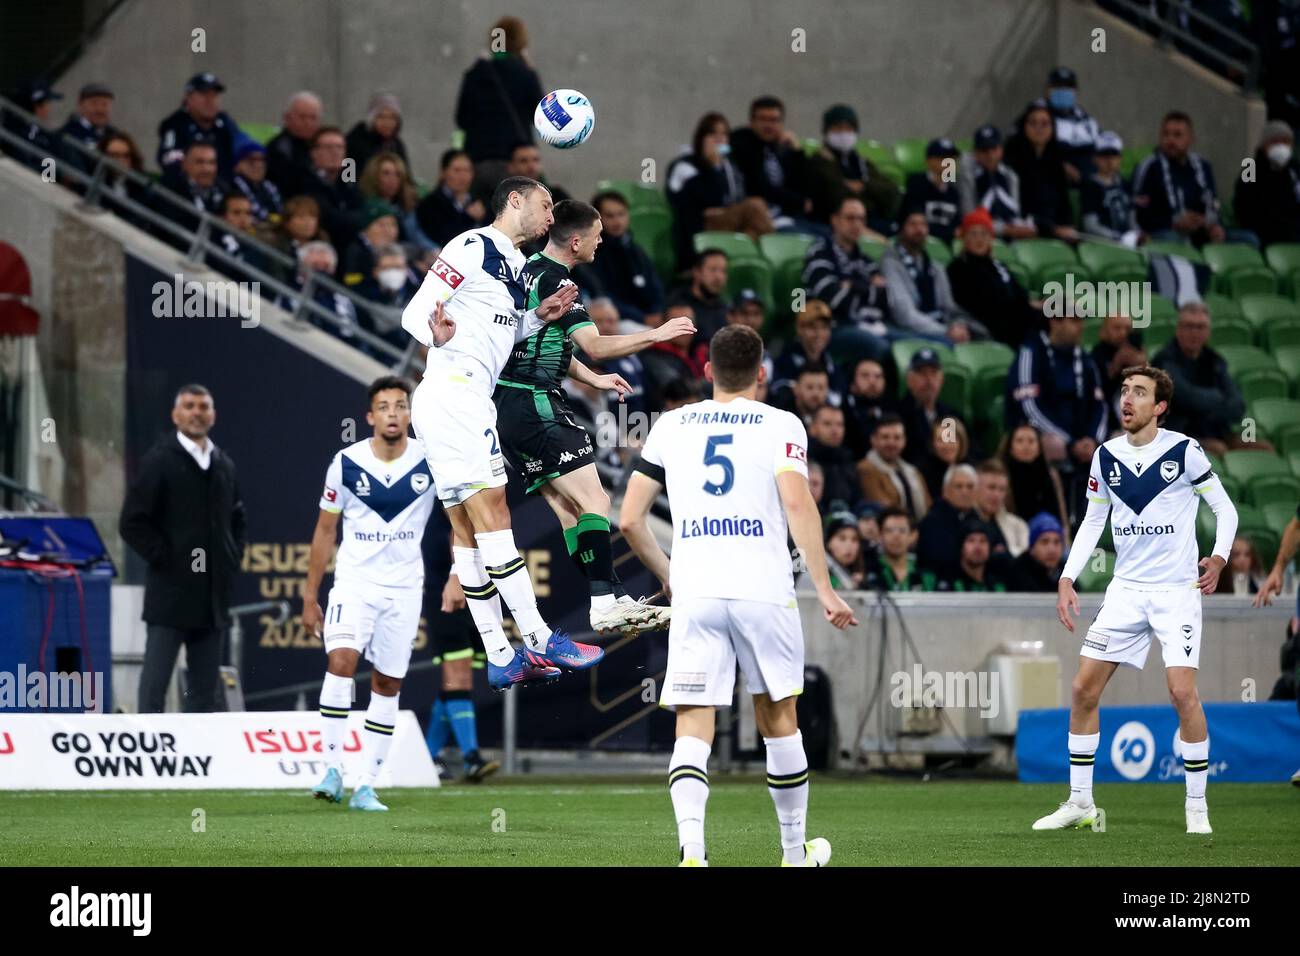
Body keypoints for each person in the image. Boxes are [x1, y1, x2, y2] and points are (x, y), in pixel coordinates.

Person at [619, 322, 857, 868]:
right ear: (763, 374)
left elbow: (630, 519)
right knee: (779, 718)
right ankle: (794, 854)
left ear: (706, 372)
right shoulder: (782, 424)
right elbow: (798, 505)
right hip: (762, 588)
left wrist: (670, 574)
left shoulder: (672, 425)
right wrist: (824, 588)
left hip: (698, 588)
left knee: (693, 720)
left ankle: (694, 854)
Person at [399, 175, 605, 687]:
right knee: (494, 513)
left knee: (467, 532)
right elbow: (414, 312)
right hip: (456, 393)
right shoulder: (472, 246)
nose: (552, 217)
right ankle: (537, 637)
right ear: (514, 201)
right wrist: (434, 331)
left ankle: (497, 654)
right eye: (544, 205)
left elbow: (502, 333)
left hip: (457, 398)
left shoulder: (514, 266)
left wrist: (538, 318)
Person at [1040, 365, 1237, 835]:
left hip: (1176, 593)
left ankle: (1196, 807)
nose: (1127, 399)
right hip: (1125, 591)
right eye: (1125, 391)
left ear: (1160, 407)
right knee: (1083, 690)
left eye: (1140, 393)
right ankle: (1081, 803)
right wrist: (1067, 577)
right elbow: (1092, 522)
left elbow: (1224, 509)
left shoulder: (1184, 451)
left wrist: (1219, 558)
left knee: (1181, 693)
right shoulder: (1105, 456)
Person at [492, 199, 694, 633]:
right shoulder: (555, 280)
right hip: (534, 403)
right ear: (578, 240)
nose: (602, 243)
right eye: (598, 237)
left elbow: (537, 343)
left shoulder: (526, 270)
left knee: (570, 512)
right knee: (597, 502)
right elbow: (596, 345)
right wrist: (658, 334)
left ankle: (610, 596)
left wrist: (593, 379)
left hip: (513, 408)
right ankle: (604, 603)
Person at [301, 377, 436, 812]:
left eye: (400, 405)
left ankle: (366, 784)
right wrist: (309, 595)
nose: (393, 414)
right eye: (384, 406)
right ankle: (332, 769)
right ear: (370, 416)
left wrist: (459, 572)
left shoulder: (431, 460)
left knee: (388, 681)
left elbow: (462, 518)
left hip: (404, 589)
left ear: (410, 413)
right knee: (341, 661)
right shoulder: (346, 463)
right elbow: (325, 530)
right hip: (354, 584)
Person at [119, 385, 246, 713]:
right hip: (170, 596)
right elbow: (132, 521)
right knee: (155, 683)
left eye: (203, 406)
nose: (196, 412)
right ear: (175, 415)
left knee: (204, 692)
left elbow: (237, 518)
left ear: (213, 415)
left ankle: (197, 758)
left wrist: (231, 558)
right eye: (189, 406)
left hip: (212, 599)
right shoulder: (159, 461)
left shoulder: (223, 465)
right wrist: (166, 559)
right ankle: (148, 749)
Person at [666, 112, 773, 271]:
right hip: (698, 224)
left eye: (724, 134)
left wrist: (724, 209)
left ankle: (733, 261)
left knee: (756, 220)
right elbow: (696, 200)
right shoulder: (685, 165)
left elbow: (735, 197)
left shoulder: (729, 167)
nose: (719, 139)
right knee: (755, 206)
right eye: (713, 133)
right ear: (701, 138)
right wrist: (713, 168)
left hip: (725, 219)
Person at [1151, 302, 1250, 457]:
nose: (1194, 332)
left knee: (1262, 447)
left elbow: (1238, 404)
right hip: (1179, 434)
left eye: (1200, 327)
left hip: (1216, 431)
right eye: (1189, 326)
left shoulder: (1214, 360)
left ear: (1208, 332)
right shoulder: (1165, 361)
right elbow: (1187, 397)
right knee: (1219, 449)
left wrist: (1205, 411)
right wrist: (1218, 398)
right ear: (1178, 330)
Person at [802, 196, 891, 364]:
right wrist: (868, 288)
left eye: (861, 219)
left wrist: (852, 287)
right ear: (835, 220)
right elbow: (832, 300)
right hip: (832, 328)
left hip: (870, 324)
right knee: (882, 349)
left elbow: (886, 299)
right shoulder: (819, 253)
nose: (857, 224)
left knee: (919, 345)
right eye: (850, 218)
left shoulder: (866, 260)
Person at [455, 16, 543, 183]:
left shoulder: (475, 74)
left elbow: (461, 119)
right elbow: (540, 117)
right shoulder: (525, 74)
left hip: (479, 158)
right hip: (517, 160)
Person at [1133, 111, 1236, 247]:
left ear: (1191, 139)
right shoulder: (1149, 167)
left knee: (1248, 239)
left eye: (1177, 135)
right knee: (1177, 240)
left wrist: (1213, 225)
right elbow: (1138, 214)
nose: (1170, 140)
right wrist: (1174, 223)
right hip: (1164, 232)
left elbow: (1213, 203)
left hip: (1201, 231)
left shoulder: (1203, 166)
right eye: (1165, 134)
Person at [946, 206, 1040, 348]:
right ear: (964, 238)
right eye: (973, 234)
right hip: (988, 327)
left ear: (991, 238)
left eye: (984, 234)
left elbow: (1021, 296)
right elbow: (978, 306)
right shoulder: (957, 269)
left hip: (1014, 320)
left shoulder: (999, 266)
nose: (979, 239)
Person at [880, 209, 980, 342]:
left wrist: (959, 326)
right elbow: (904, 315)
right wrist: (945, 331)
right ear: (901, 229)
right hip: (909, 330)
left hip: (940, 327)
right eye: (913, 224)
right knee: (948, 343)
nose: (919, 229)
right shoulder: (890, 264)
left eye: (923, 224)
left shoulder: (936, 267)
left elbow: (949, 307)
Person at [804, 103, 899, 231]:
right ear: (827, 131)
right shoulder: (819, 162)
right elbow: (835, 196)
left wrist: (864, 185)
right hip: (833, 225)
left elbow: (890, 192)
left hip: (872, 221)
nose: (844, 133)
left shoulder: (862, 162)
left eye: (849, 128)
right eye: (838, 128)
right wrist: (869, 195)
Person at [575, 190, 664, 324]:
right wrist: (642, 318)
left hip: (649, 319)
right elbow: (601, 294)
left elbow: (656, 287)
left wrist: (657, 312)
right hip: (615, 320)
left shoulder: (636, 250)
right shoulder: (590, 252)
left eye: (621, 214)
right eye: (610, 216)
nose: (617, 221)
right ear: (597, 219)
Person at [729, 95, 811, 227]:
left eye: (774, 120)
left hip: (788, 215)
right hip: (761, 218)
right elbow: (762, 188)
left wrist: (797, 152)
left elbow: (803, 184)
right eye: (762, 119)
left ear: (781, 124)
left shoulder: (780, 148)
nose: (768, 125)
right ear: (751, 122)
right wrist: (800, 202)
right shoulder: (743, 145)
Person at [1003, 99, 1076, 241]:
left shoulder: (1056, 160)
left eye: (1044, 123)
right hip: (1026, 230)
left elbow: (1063, 203)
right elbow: (1016, 206)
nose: (1039, 128)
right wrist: (1052, 229)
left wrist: (1067, 226)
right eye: (1033, 123)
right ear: (1024, 125)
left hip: (1056, 232)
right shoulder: (1011, 160)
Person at [957, 124, 1037, 239]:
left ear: (1001, 150)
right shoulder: (967, 175)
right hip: (982, 235)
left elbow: (1015, 212)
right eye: (984, 150)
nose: (990, 155)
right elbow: (969, 216)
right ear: (975, 153)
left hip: (1012, 234)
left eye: (994, 149)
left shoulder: (1010, 176)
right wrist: (1005, 230)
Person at [157, 72, 239, 181]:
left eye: (214, 95)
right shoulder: (176, 124)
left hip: (223, 188)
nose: (210, 100)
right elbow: (169, 160)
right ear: (188, 98)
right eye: (204, 94)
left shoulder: (224, 122)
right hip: (187, 188)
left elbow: (241, 150)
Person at [300, 126, 370, 252]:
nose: (335, 152)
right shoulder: (304, 180)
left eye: (339, 147)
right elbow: (328, 218)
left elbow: (363, 214)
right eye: (328, 147)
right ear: (314, 153)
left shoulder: (348, 180)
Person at [1233, 120, 1300, 248]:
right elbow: (1242, 205)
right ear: (1264, 144)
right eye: (1275, 142)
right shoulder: (1250, 167)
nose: (1281, 147)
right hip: (1263, 231)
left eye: (1285, 142)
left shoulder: (1294, 170)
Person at [898, 348, 967, 468]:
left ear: (941, 379)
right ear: (909, 380)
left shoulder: (948, 416)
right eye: (922, 373)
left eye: (933, 373)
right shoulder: (900, 414)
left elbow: (951, 450)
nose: (929, 380)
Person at [857, 413, 930, 523]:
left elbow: (928, 504)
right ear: (873, 440)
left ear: (904, 440)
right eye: (885, 437)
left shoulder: (912, 471)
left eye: (897, 437)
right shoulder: (866, 469)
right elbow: (884, 507)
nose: (891, 443)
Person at [999, 423, 1071, 531]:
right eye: (1019, 441)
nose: (1026, 446)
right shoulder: (1001, 474)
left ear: (1039, 447)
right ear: (1010, 448)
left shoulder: (1051, 475)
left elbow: (1061, 515)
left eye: (1031, 441)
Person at [770, 300, 845, 403]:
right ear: (799, 329)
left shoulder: (832, 366)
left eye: (824, 328)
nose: (819, 334)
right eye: (813, 328)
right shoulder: (783, 363)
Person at [916, 463, 979, 582]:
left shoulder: (979, 520)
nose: (965, 492)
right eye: (958, 487)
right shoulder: (932, 522)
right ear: (945, 491)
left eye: (970, 487)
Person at [360, 151, 433, 250]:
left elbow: (416, 237)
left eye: (397, 175)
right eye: (386, 173)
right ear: (374, 176)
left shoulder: (406, 207)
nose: (392, 179)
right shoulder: (364, 205)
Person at [415, 149, 488, 249]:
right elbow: (444, 238)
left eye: (467, 170)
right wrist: (468, 218)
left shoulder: (480, 201)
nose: (463, 176)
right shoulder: (430, 204)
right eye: (457, 170)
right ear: (443, 172)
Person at [1092, 312, 1147, 434]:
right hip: (1109, 423)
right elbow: (1097, 394)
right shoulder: (1096, 356)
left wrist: (1143, 366)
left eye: (1127, 329)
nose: (1123, 333)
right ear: (1104, 331)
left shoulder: (1136, 351)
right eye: (1117, 328)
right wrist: (1116, 366)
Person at [1080, 132, 1139, 244]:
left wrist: (1135, 234)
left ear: (1120, 158)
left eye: (1114, 155)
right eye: (1104, 155)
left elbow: (1132, 216)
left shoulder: (1124, 183)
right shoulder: (1090, 186)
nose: (1110, 160)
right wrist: (1116, 237)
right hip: (1105, 243)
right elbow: (1090, 225)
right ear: (1095, 158)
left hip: (1128, 240)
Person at [1044, 66, 1100, 184]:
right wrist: (1059, 166)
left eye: (1068, 86)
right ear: (1048, 89)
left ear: (1076, 91)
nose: (1063, 90)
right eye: (1058, 86)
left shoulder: (1086, 119)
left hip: (1091, 184)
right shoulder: (1037, 118)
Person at [900, 138, 961, 242]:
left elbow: (956, 226)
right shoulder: (916, 183)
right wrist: (948, 233)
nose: (949, 163)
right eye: (943, 158)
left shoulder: (953, 192)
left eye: (952, 159)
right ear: (929, 161)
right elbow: (913, 221)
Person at [265, 91, 323, 196]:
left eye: (313, 118)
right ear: (287, 118)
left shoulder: (322, 145)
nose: (308, 123)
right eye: (302, 117)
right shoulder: (280, 149)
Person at [669, 249, 729, 343]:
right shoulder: (679, 304)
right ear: (697, 272)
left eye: (723, 271)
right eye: (713, 270)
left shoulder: (724, 308)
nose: (719, 277)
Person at [867, 506, 933, 591]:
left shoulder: (926, 573)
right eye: (889, 530)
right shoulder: (868, 571)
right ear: (880, 535)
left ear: (913, 535)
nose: (896, 536)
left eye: (902, 530)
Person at [807, 405, 860, 510]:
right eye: (827, 424)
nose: (835, 430)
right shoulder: (803, 459)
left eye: (839, 425)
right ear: (812, 428)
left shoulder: (848, 459)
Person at [843, 356, 897, 457]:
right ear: (853, 381)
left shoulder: (894, 408)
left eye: (878, 376)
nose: (872, 381)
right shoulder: (843, 410)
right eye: (865, 376)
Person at [975, 458, 1030, 557]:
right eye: (991, 487)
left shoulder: (1018, 526)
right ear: (976, 487)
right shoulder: (963, 521)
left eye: (1002, 489)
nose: (997, 494)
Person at [58, 82, 115, 174]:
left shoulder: (115, 135)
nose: (100, 109)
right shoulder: (68, 134)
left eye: (105, 104)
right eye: (94, 103)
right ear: (80, 105)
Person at [346, 92, 409, 173]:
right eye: (381, 117)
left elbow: (406, 176)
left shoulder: (396, 145)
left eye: (392, 117)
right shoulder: (353, 143)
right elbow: (347, 178)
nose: (387, 123)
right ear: (371, 119)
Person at [935, 521, 1007, 592]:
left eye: (983, 541)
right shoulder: (949, 583)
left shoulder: (997, 584)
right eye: (971, 540)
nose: (978, 547)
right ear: (961, 548)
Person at [1006, 512, 1065, 592]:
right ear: (1032, 548)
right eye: (1045, 542)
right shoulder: (1017, 573)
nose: (1052, 549)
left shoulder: (1065, 571)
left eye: (1057, 542)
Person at [230, 139, 283, 225]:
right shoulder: (232, 186)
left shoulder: (269, 186)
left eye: (262, 160)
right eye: (251, 160)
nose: (258, 165)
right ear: (238, 164)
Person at [823, 511, 867, 590]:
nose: (849, 545)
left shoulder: (864, 575)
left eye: (854, 539)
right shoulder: (815, 576)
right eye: (842, 538)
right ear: (828, 543)